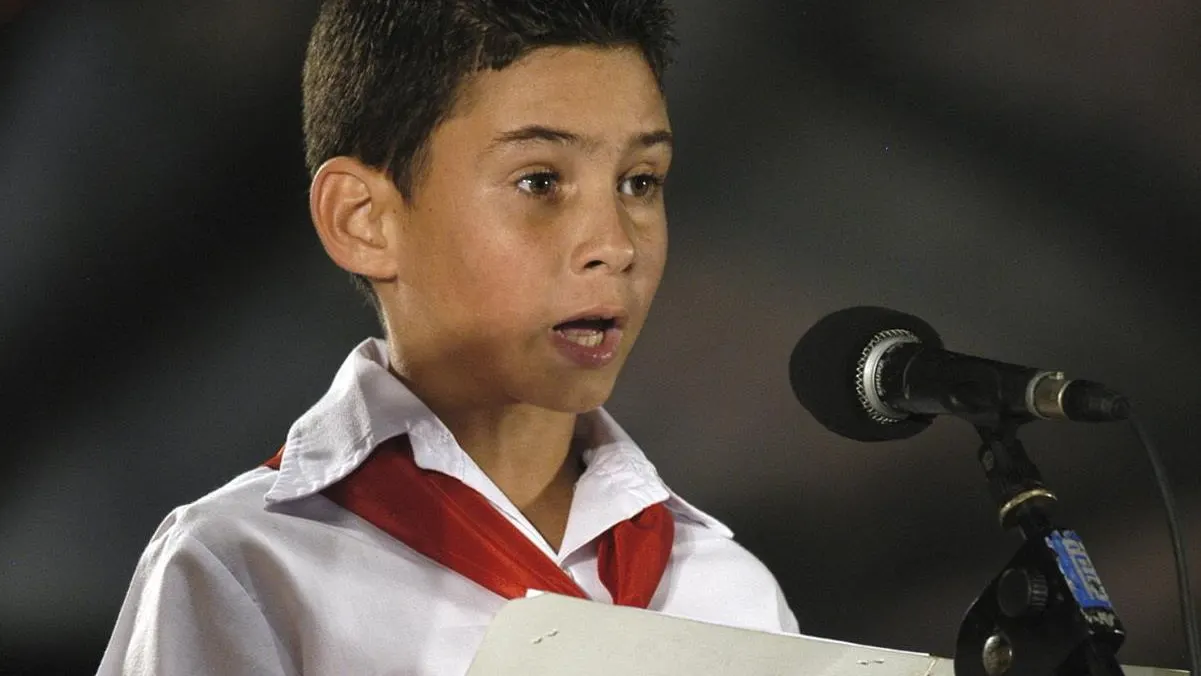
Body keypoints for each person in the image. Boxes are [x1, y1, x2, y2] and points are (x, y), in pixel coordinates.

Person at [97, 1, 799, 673]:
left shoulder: (726, 593)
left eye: (639, 182)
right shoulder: (247, 568)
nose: (614, 245)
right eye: (539, 181)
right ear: (362, 219)